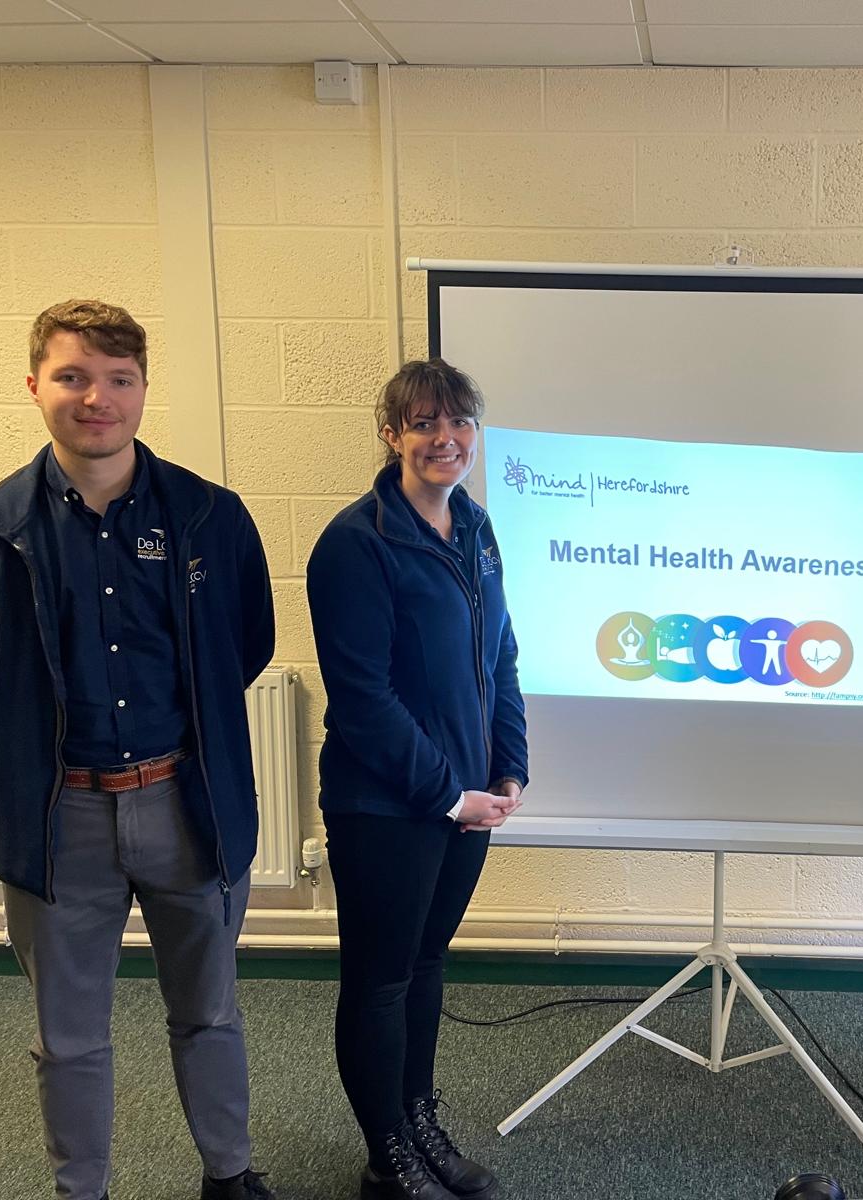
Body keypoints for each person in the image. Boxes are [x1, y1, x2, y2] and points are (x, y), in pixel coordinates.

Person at [0, 300, 277, 1200]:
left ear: (143, 389)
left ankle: (229, 1176)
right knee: (69, 1036)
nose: (98, 398)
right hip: (58, 818)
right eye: (74, 377)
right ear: (34, 385)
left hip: (187, 804)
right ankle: (80, 1189)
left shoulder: (211, 518)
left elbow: (246, 645)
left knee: (209, 1012)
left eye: (119, 379)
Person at [307, 359, 528, 1200]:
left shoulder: (475, 526)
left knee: (426, 964)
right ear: (391, 434)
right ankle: (386, 1156)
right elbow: (364, 699)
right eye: (426, 423)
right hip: (385, 807)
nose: (447, 438)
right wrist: (448, 792)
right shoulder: (356, 544)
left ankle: (417, 1120)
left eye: (460, 421)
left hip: (465, 801)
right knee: (381, 979)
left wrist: (510, 765)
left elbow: (500, 655)